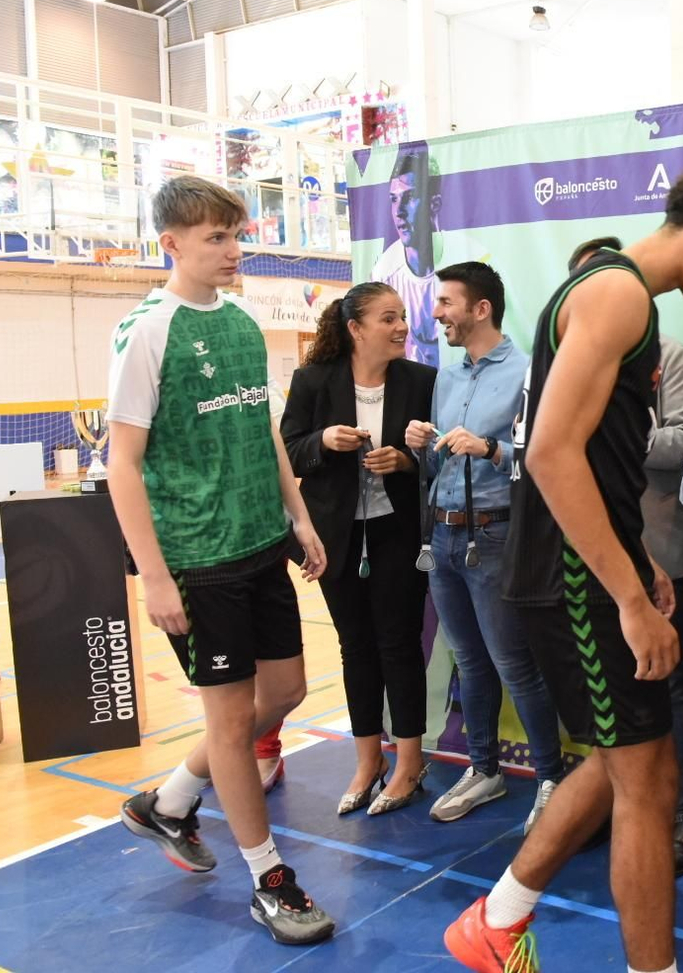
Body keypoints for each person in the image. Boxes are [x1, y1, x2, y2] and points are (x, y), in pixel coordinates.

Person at [443, 164, 683, 973]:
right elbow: (553, 453)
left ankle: (498, 916)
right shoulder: (618, 293)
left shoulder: (615, 294)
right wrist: (627, 594)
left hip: (586, 568)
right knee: (648, 782)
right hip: (570, 579)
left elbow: (598, 454)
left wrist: (638, 562)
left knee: (634, 760)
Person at [108, 175, 335, 945]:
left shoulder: (240, 321)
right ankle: (270, 879)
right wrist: (156, 575)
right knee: (233, 721)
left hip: (258, 543)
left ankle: (166, 801)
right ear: (170, 242)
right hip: (196, 559)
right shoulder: (146, 329)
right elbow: (123, 465)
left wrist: (297, 515)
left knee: (287, 690)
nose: (234, 250)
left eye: (236, 235)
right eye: (216, 237)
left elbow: (263, 431)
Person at [567, 235, 683, 876]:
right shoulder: (567, 360)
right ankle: (620, 805)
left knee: (674, 684)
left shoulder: (670, 355)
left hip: (658, 548)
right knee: (611, 692)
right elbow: (544, 453)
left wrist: (605, 417)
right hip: (592, 551)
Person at [405, 262, 566, 828]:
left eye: (446, 302)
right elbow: (435, 464)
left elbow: (546, 456)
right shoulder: (445, 378)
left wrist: (491, 449)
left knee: (513, 664)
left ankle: (550, 781)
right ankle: (485, 770)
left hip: (496, 535)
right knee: (469, 662)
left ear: (481, 309)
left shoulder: (527, 372)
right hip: (443, 535)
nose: (436, 313)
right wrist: (419, 444)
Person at [280, 282, 436, 814]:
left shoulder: (422, 381)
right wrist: (323, 442)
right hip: (335, 539)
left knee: (398, 645)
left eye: (401, 318)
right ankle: (368, 760)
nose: (401, 328)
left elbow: (437, 455)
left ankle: (410, 761)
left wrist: (407, 463)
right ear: (354, 328)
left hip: (398, 536)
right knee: (356, 649)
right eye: (388, 319)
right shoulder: (313, 381)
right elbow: (290, 453)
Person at [371, 147, 443, 367]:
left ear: (434, 205)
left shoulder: (462, 265)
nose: (399, 211)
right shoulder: (384, 272)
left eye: (409, 197)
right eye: (394, 199)